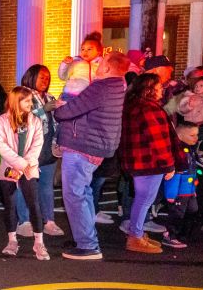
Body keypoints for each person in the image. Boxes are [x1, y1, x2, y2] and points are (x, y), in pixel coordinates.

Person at [54, 52, 130, 260]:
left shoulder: (101, 87)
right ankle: (85, 237)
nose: (97, 64)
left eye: (101, 62)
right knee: (84, 193)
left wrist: (60, 108)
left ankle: (88, 245)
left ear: (107, 68)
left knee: (75, 195)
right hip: (96, 146)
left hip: (82, 146)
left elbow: (67, 112)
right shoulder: (119, 85)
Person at [119, 73, 174, 254]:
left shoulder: (132, 107)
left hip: (137, 160)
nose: (162, 91)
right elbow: (158, 140)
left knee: (142, 199)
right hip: (149, 161)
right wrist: (168, 164)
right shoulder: (150, 109)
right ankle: (135, 236)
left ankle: (137, 233)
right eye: (159, 88)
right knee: (144, 199)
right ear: (150, 90)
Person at [0, 86, 49, 260]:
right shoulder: (1, 121)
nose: (30, 103)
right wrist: (18, 164)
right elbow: (1, 145)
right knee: (9, 205)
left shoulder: (35, 120)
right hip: (8, 168)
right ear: (16, 101)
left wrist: (26, 164)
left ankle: (39, 242)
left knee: (34, 204)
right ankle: (12, 240)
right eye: (26, 100)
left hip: (29, 168)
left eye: (30, 100)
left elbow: (37, 144)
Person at [19, 65, 65, 236]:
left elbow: (57, 122)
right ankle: (24, 221)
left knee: (46, 186)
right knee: (25, 185)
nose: (45, 80)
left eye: (47, 77)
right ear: (31, 76)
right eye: (41, 77)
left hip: (48, 147)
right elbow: (19, 118)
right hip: (29, 148)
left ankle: (49, 221)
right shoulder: (21, 95)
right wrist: (43, 110)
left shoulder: (50, 97)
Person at [161, 121, 200, 248]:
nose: (196, 138)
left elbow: (193, 172)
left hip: (188, 190)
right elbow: (174, 175)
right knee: (177, 213)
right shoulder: (177, 152)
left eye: (196, 135)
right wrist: (171, 194)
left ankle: (182, 234)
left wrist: (193, 188)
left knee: (192, 210)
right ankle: (170, 235)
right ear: (180, 135)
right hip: (179, 192)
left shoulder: (190, 149)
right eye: (192, 135)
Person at [58, 32, 103, 101]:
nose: (85, 52)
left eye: (89, 49)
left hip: (91, 97)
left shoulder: (101, 65)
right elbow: (62, 76)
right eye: (82, 49)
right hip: (71, 94)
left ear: (98, 52)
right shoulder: (76, 62)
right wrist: (65, 64)